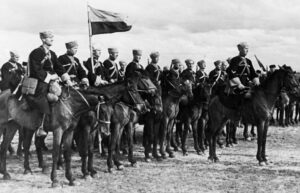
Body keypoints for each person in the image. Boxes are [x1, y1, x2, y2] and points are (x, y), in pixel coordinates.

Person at [28, 31, 72, 136]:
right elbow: (36, 69)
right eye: (49, 38)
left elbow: (58, 67)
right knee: (43, 97)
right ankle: (41, 126)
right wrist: (49, 77)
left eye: (52, 37)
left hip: (53, 81)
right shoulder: (36, 52)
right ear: (43, 39)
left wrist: (66, 79)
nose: (52, 39)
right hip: (40, 81)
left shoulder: (52, 53)